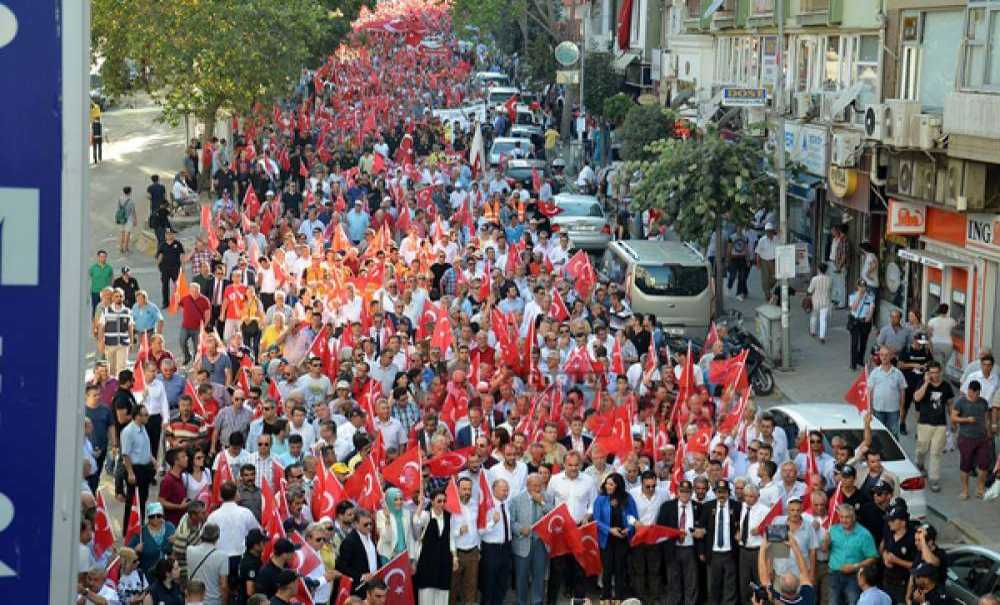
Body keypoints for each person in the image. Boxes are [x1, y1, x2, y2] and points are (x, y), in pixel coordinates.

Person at [656, 479, 704, 605]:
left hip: (691, 549)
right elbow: (660, 529)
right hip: (673, 549)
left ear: (692, 492)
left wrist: (702, 531)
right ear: (677, 491)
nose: (685, 494)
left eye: (688, 492)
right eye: (682, 491)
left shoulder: (698, 507)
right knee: (673, 581)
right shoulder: (667, 506)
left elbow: (705, 527)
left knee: (691, 582)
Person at [509, 473, 553, 605]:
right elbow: (511, 521)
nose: (538, 489)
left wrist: (541, 501)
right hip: (523, 543)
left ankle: (537, 601)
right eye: (534, 486)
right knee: (521, 577)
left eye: (540, 486)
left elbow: (553, 515)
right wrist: (520, 529)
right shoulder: (517, 499)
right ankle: (521, 601)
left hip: (540, 543)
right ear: (527, 486)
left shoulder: (547, 497)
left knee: (539, 576)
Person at [593, 472, 637, 601]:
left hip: (622, 539)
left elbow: (633, 518)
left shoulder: (627, 498)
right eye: (607, 483)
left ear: (618, 485)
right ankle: (605, 596)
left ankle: (619, 597)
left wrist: (628, 529)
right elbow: (596, 520)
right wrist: (609, 530)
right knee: (607, 569)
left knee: (620, 569)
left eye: (611, 484)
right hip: (606, 539)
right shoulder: (600, 499)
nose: (608, 486)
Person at [823, 503, 877, 605]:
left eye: (847, 517)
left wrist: (855, 566)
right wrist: (825, 543)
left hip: (855, 576)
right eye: (842, 517)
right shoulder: (833, 530)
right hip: (834, 574)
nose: (844, 520)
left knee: (853, 602)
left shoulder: (864, 534)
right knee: (832, 603)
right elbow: (825, 550)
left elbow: (873, 557)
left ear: (854, 517)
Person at [912, 360, 954, 492]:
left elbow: (950, 404)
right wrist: (926, 383)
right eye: (931, 373)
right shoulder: (923, 383)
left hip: (940, 424)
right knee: (921, 449)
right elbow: (917, 398)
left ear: (940, 372)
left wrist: (952, 420)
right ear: (928, 373)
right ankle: (920, 463)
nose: (934, 375)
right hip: (924, 423)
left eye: (936, 372)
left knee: (936, 453)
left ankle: (934, 480)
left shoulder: (946, 386)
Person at [412, 488, 457, 605]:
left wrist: (455, 557)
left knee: (442, 594)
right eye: (439, 501)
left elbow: (451, 538)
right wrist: (421, 505)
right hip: (427, 561)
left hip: (444, 561)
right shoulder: (426, 516)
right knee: (426, 595)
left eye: (444, 501)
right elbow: (416, 524)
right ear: (432, 501)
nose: (442, 504)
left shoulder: (449, 516)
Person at [952, 380, 994, 499]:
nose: (975, 395)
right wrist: (966, 420)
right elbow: (953, 417)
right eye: (972, 393)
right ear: (969, 390)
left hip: (982, 438)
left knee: (984, 465)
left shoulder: (983, 402)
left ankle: (980, 488)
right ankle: (965, 490)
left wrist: (989, 432)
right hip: (966, 438)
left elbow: (986, 419)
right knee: (966, 465)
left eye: (977, 393)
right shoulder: (961, 402)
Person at [701, 479, 739, 605]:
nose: (722, 495)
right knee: (713, 585)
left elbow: (742, 525)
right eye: (719, 492)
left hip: (730, 552)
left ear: (729, 493)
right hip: (713, 553)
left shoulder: (736, 506)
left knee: (730, 585)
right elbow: (702, 530)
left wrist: (739, 532)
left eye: (724, 492)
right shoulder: (707, 506)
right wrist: (701, 551)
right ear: (715, 493)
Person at [478, 478, 513, 605]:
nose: (506, 493)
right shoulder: (486, 506)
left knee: (502, 583)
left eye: (507, 490)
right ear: (494, 490)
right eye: (503, 490)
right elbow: (480, 531)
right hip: (491, 549)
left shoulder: (506, 504)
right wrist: (493, 522)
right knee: (489, 584)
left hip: (506, 548)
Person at [121, 403, 155, 529]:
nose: (148, 417)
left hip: (145, 468)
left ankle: (139, 525)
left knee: (143, 499)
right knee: (132, 501)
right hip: (135, 469)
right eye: (145, 415)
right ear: (137, 416)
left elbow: (145, 447)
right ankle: (128, 529)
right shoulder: (129, 431)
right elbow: (125, 454)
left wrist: (153, 459)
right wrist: (130, 472)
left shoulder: (143, 427)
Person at [757, 533, 816, 605]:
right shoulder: (807, 596)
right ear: (798, 585)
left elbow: (764, 580)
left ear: (780, 587)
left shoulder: (774, 597)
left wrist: (762, 548)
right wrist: (795, 546)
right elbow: (804, 574)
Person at [335, 509, 379, 596]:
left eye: (371, 524)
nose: (369, 527)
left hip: (372, 585)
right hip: (358, 588)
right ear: (355, 524)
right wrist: (361, 576)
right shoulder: (349, 541)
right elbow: (341, 567)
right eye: (365, 524)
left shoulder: (370, 537)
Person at [185, 523, 231, 605]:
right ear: (217, 537)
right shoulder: (222, 556)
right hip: (214, 601)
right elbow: (223, 586)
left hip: (194, 599)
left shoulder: (189, 550)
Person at [867, 347, 906, 438]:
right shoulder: (874, 373)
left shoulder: (898, 373)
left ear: (891, 356)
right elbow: (870, 392)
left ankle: (893, 452)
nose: (884, 357)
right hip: (878, 409)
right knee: (878, 435)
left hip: (893, 410)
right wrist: (871, 409)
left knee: (893, 435)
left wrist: (902, 408)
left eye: (886, 355)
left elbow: (902, 392)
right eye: (881, 355)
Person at [128, 501, 176, 573]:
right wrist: (135, 550)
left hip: (167, 574)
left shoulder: (170, 527)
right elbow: (126, 553)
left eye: (158, 515)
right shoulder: (141, 533)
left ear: (162, 515)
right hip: (148, 575)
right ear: (148, 517)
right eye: (152, 516)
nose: (155, 518)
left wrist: (176, 542)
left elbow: (176, 549)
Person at [880, 504, 915, 603]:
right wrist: (885, 557)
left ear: (903, 523)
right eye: (889, 520)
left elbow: (916, 565)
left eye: (893, 520)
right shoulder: (889, 533)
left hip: (903, 584)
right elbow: (885, 550)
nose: (890, 523)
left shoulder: (912, 539)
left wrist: (897, 561)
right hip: (887, 580)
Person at [847, 281, 875, 371]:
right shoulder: (852, 296)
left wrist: (870, 316)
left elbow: (872, 307)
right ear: (857, 287)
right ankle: (853, 363)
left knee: (863, 342)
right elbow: (853, 308)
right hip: (855, 321)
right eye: (860, 287)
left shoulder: (870, 296)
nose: (862, 288)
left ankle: (860, 359)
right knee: (854, 343)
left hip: (865, 322)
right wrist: (859, 297)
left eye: (864, 287)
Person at [156, 228, 185, 308]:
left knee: (177, 286)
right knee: (165, 286)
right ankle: (166, 303)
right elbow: (160, 256)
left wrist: (183, 267)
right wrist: (158, 265)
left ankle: (178, 302)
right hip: (165, 269)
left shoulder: (178, 244)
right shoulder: (163, 244)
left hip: (175, 268)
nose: (169, 235)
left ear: (173, 235)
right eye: (167, 234)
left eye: (171, 234)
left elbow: (182, 256)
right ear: (165, 235)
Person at [808, 262, 833, 343]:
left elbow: (810, 290)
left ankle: (813, 331)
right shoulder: (829, 279)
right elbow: (830, 291)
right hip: (825, 301)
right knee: (823, 319)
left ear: (819, 269)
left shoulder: (814, 279)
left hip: (815, 301)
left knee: (814, 316)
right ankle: (822, 336)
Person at [756, 223, 778, 302]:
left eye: (770, 231)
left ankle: (768, 290)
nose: (768, 233)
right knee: (765, 280)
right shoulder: (762, 240)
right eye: (767, 231)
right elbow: (758, 253)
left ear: (772, 231)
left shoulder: (777, 239)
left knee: (774, 278)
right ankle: (767, 295)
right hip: (764, 261)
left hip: (774, 261)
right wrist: (758, 263)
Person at [116, 186, 138, 254]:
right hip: (129, 219)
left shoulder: (120, 199)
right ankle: (126, 248)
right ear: (130, 192)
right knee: (127, 234)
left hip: (121, 218)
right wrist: (135, 220)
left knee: (122, 233)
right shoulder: (131, 201)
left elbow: (118, 208)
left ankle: (121, 248)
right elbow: (133, 211)